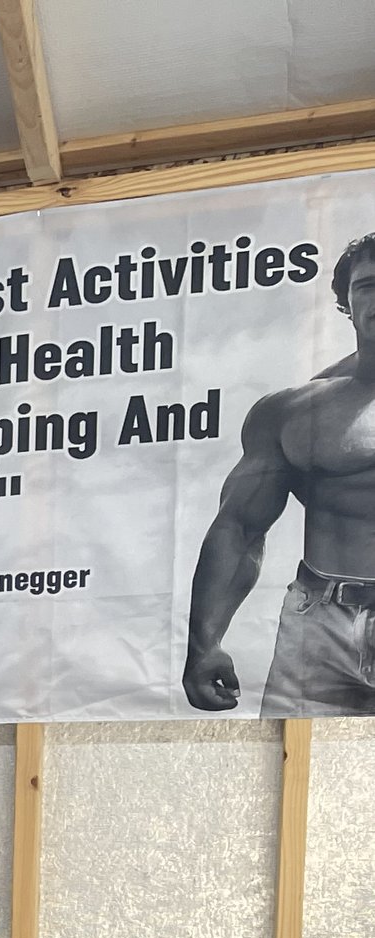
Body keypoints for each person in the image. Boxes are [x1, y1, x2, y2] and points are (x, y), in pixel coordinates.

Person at [186, 231, 375, 713]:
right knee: (296, 773)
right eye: (369, 285)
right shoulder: (296, 411)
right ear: (346, 305)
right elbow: (240, 527)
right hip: (317, 625)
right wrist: (204, 644)